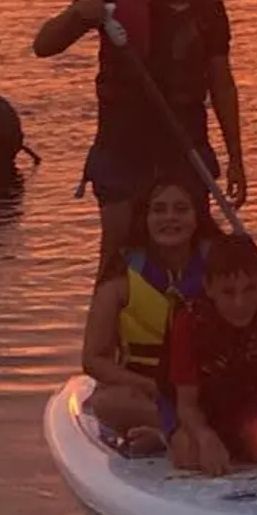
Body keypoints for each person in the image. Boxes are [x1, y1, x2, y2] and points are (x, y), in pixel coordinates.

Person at [33, 0, 244, 278]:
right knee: (118, 259)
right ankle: (107, 335)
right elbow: (44, 45)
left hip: (185, 146)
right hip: (123, 149)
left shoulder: (207, 5)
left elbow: (222, 84)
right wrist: (79, 14)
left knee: (192, 256)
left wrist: (235, 157)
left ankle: (182, 332)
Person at [79, 176, 216, 449]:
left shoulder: (220, 264)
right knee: (107, 403)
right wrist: (148, 387)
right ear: (144, 216)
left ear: (197, 215)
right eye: (159, 210)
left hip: (208, 389)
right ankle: (194, 430)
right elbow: (93, 359)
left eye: (181, 209)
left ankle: (168, 434)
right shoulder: (122, 275)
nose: (170, 218)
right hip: (145, 391)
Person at [163, 233, 257, 476]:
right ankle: (158, 434)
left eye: (250, 289)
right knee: (189, 454)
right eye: (228, 292)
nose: (241, 303)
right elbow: (186, 403)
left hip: (241, 394)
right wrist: (205, 437)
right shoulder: (189, 320)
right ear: (209, 288)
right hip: (195, 402)